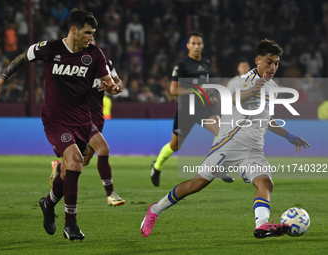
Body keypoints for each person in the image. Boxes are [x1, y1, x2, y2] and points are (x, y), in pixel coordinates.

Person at [141, 39, 310, 239]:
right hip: (230, 144)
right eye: (268, 61)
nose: (272, 67)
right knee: (196, 185)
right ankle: (156, 209)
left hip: (254, 149)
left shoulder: (271, 86)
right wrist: (254, 90)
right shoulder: (248, 79)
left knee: (265, 184)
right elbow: (234, 98)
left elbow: (266, 118)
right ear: (257, 61)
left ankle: (262, 225)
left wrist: (288, 135)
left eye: (276, 63)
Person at [0, 8, 121, 241]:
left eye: (93, 33)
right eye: (87, 33)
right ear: (73, 30)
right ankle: (71, 224)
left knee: (67, 169)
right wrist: (0, 81)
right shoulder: (50, 48)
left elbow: (110, 82)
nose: (91, 37)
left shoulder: (95, 54)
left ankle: (48, 203)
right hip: (56, 119)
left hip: (82, 121)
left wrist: (113, 87)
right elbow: (21, 58)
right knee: (76, 163)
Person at [150, 32, 233, 187]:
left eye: (199, 43)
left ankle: (215, 166)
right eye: (193, 44)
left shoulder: (206, 63)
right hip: (186, 111)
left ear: (202, 45)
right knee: (175, 146)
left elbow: (204, 86)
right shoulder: (181, 66)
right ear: (188, 46)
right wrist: (196, 90)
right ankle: (156, 165)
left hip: (203, 109)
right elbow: (174, 90)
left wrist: (210, 95)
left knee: (222, 131)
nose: (196, 46)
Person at [49, 58, 125, 207]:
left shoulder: (106, 64)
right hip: (80, 118)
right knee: (103, 149)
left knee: (84, 160)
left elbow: (118, 83)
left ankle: (57, 167)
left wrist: (114, 87)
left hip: (97, 117)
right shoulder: (74, 64)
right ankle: (111, 194)